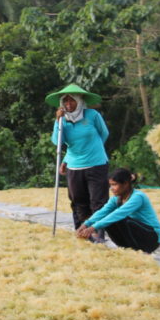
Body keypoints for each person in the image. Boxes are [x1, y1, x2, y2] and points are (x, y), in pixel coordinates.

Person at [47, 83, 110, 232]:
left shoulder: (92, 115)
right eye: (66, 101)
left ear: (80, 101)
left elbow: (104, 134)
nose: (69, 104)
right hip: (74, 166)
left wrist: (94, 149)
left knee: (98, 201)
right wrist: (58, 121)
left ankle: (98, 233)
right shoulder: (62, 120)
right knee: (78, 202)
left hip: (96, 164)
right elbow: (58, 142)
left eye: (72, 100)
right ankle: (81, 231)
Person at [77, 168, 160, 253]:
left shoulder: (138, 197)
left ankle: (137, 250)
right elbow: (102, 212)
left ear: (125, 184)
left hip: (152, 238)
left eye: (114, 185)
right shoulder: (116, 199)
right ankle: (125, 248)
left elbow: (119, 214)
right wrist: (86, 224)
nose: (111, 188)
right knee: (108, 220)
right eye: (110, 185)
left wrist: (93, 228)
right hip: (138, 235)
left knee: (120, 219)